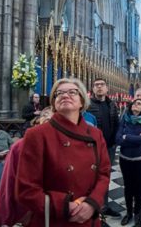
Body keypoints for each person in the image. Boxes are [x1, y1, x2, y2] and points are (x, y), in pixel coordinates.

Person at [16, 78, 111, 226]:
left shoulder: (95, 134)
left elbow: (104, 174)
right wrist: (65, 206)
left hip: (88, 219)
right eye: (59, 93)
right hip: (54, 218)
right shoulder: (36, 135)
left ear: (82, 102)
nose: (65, 95)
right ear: (54, 103)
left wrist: (92, 203)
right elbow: (26, 189)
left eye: (72, 92)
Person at [0, 107, 53, 227]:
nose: (49, 119)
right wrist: (5, 217)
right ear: (38, 121)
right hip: (30, 210)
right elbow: (9, 183)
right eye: (45, 116)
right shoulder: (21, 146)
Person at [87, 78, 121, 220]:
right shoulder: (87, 106)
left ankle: (104, 206)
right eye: (96, 85)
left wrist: (116, 141)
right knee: (91, 177)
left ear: (107, 89)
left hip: (110, 147)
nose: (99, 87)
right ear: (93, 89)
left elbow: (117, 123)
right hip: (93, 148)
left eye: (102, 85)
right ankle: (92, 206)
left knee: (105, 177)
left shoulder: (112, 105)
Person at [116, 99, 141, 227]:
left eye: (139, 104)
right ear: (130, 106)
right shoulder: (124, 119)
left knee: (139, 188)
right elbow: (118, 139)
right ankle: (129, 212)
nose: (136, 105)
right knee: (128, 187)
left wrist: (127, 136)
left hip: (140, 159)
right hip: (125, 158)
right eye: (134, 103)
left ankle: (137, 214)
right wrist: (134, 138)